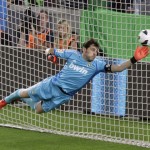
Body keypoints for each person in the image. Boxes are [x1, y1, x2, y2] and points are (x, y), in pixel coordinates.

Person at [0, 38, 149, 113]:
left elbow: (119, 68)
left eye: (96, 51)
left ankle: (20, 98)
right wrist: (50, 56)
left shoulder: (97, 65)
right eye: (92, 50)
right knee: (25, 92)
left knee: (38, 110)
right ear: (84, 49)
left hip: (64, 96)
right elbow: (49, 50)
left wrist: (134, 59)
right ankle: (5, 101)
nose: (95, 53)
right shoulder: (72, 54)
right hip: (52, 85)